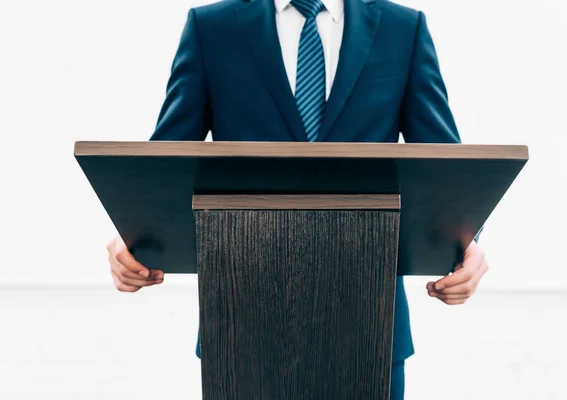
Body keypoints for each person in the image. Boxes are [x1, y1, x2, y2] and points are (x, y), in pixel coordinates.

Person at [106, 0, 489, 397]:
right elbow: (167, 159)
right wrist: (133, 236)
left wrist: (468, 244)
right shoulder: (211, 27)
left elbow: (444, 165)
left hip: (371, 327)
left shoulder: (402, 28)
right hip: (241, 325)